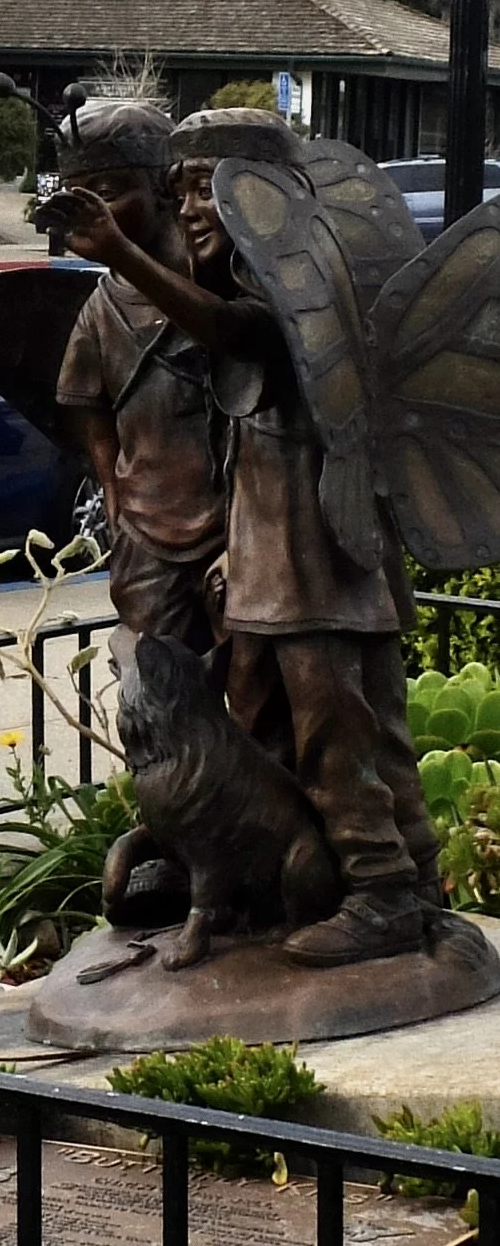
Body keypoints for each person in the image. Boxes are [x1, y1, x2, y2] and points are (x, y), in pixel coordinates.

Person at [43, 108, 440, 968]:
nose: (189, 210)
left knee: (330, 721)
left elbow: (232, 336)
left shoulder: (293, 287)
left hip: (311, 548)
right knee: (306, 721)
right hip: (277, 545)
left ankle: (383, 893)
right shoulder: (265, 276)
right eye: (181, 190)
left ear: (264, 201)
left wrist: (117, 251)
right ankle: (354, 884)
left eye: (209, 192)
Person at [51, 104, 226, 653]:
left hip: (237, 522)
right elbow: (87, 404)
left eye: (108, 189)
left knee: (252, 688)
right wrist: (112, 490)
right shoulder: (101, 307)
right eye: (76, 194)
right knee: (153, 684)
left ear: (162, 190)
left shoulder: (219, 282)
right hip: (146, 524)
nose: (93, 209)